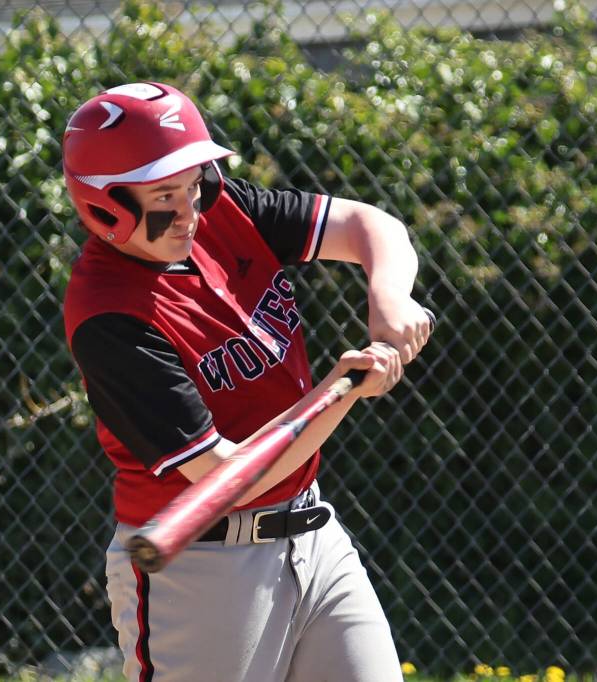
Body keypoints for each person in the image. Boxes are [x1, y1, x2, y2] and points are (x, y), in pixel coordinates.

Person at [60, 82, 432, 682]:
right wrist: (339, 392)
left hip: (313, 534)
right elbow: (222, 474)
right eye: (164, 195)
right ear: (105, 205)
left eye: (194, 184)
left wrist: (387, 295)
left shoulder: (221, 212)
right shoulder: (110, 316)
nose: (189, 211)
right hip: (203, 568)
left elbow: (369, 225)